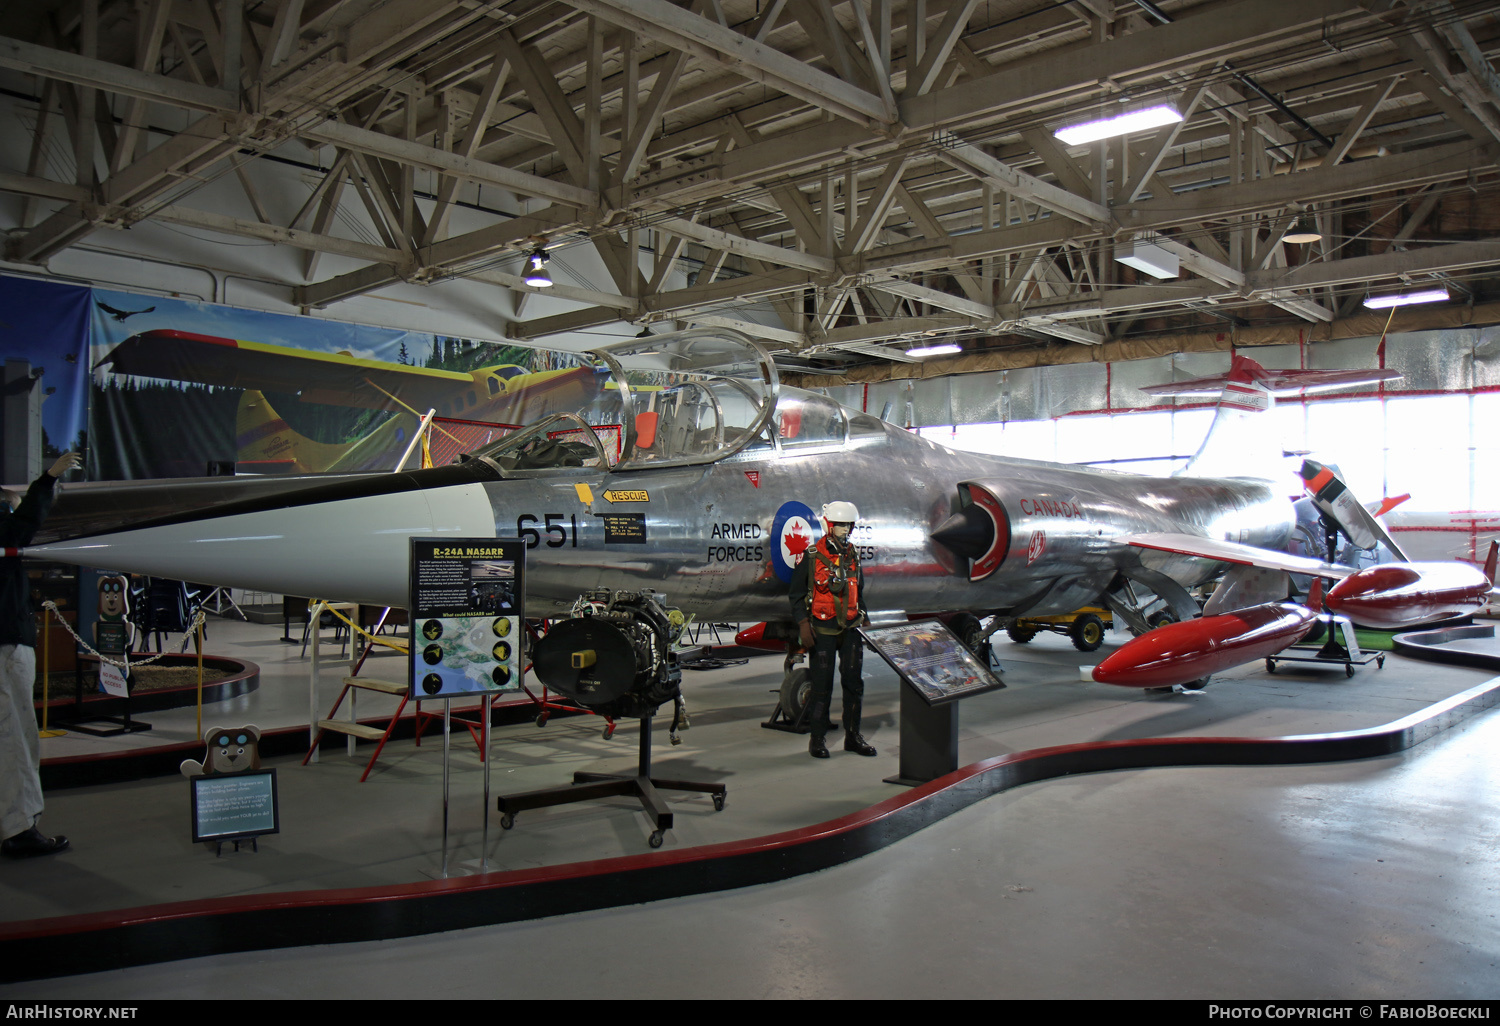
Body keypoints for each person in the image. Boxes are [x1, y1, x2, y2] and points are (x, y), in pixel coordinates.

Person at [1, 450, 81, 859]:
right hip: (5, 644)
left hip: (8, 639)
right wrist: (46, 480)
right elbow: (16, 533)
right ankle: (19, 828)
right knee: (15, 738)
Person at [789, 500, 877, 760]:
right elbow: (795, 594)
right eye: (839, 524)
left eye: (848, 524)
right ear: (829, 524)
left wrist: (866, 619)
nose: (844, 528)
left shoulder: (852, 555)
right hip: (823, 631)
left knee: (854, 685)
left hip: (850, 629)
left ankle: (853, 736)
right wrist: (804, 624)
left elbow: (856, 591)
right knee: (821, 687)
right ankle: (817, 739)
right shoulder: (812, 556)